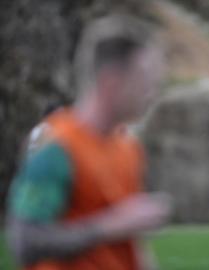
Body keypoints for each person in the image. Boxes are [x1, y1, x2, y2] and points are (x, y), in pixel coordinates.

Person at [6, 14, 170, 270]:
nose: (152, 92)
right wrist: (108, 226)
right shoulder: (55, 147)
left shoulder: (129, 147)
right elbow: (25, 242)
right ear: (112, 81)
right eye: (144, 81)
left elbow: (127, 237)